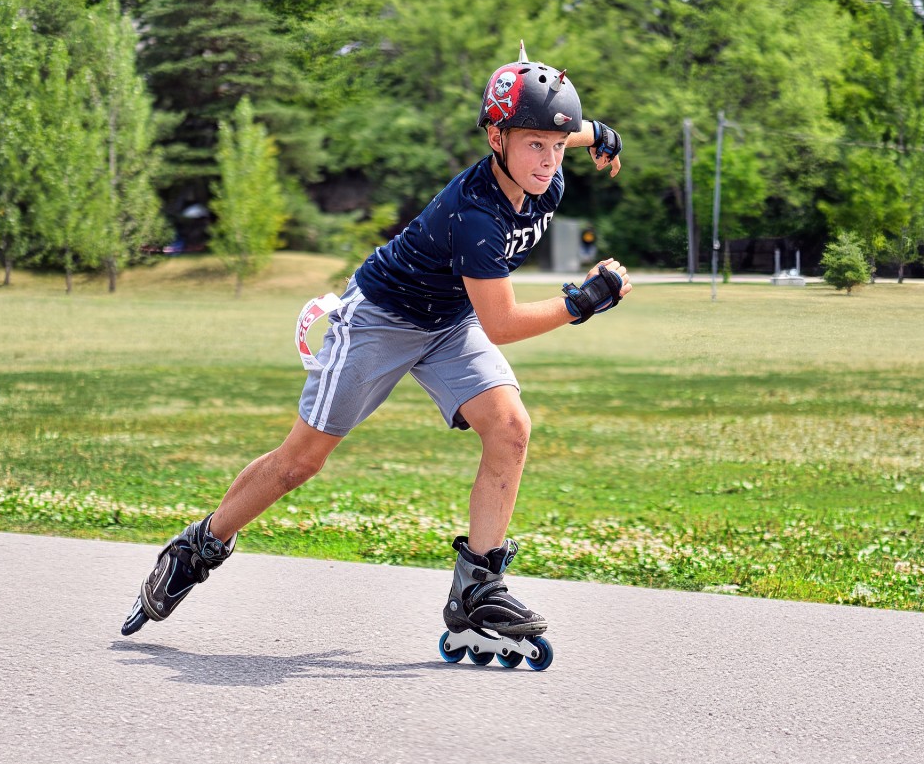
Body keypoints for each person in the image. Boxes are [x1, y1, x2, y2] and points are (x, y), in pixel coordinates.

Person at [121, 42, 631, 669]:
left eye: (557, 148)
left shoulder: (541, 171)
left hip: (446, 320)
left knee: (511, 429)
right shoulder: (476, 215)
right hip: (380, 320)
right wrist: (582, 301)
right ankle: (198, 546)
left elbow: (553, 133)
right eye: (534, 146)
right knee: (301, 462)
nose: (548, 161)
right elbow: (501, 324)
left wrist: (593, 133)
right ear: (495, 138)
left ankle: (477, 591)